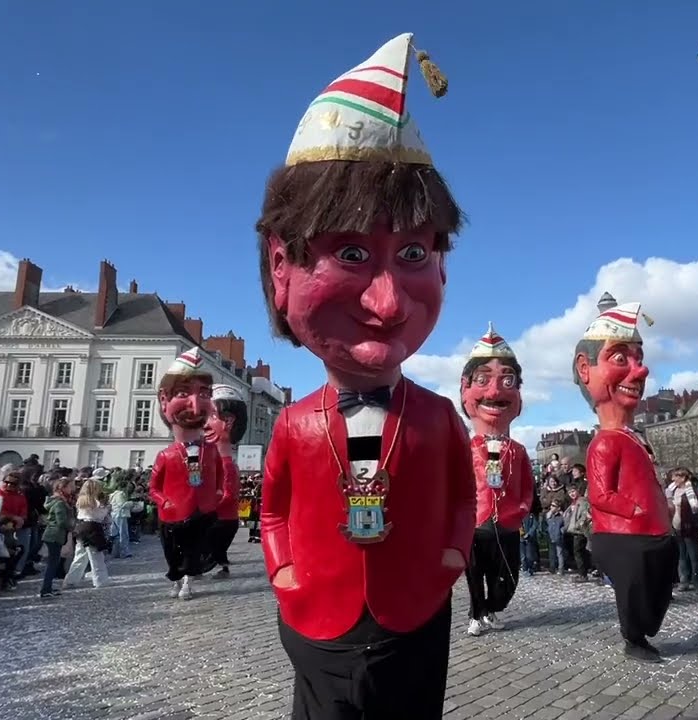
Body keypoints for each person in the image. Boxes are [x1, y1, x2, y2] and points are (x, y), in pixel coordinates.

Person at [256, 32, 474, 719]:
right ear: (280, 268)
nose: (385, 302)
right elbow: (273, 509)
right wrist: (284, 569)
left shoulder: (439, 416)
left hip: (415, 608)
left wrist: (451, 559)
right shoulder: (293, 422)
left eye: (412, 251)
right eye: (350, 252)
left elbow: (463, 497)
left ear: (442, 266)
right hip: (316, 611)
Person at [571, 300, 677, 663]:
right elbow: (600, 494)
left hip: (654, 533)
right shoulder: (605, 442)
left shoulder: (634, 437)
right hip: (626, 536)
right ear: (586, 370)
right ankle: (634, 639)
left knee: (658, 590)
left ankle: (641, 634)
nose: (640, 369)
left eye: (638, 357)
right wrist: (634, 508)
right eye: (621, 358)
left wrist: (662, 507)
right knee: (636, 594)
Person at [459, 323, 533, 637]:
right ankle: (478, 615)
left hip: (506, 524)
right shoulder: (463, 449)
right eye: (482, 380)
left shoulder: (517, 450)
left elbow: (528, 486)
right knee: (475, 574)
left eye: (506, 380)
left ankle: (492, 606)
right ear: (465, 389)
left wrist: (521, 510)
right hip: (475, 525)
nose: (494, 391)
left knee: (508, 578)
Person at [150, 350, 223, 601]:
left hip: (201, 511)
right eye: (183, 393)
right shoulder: (166, 455)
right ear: (164, 400)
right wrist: (164, 501)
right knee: (172, 552)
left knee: (194, 551)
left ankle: (187, 582)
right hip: (171, 513)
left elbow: (221, 476)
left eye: (204, 394)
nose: (195, 404)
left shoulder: (211, 451)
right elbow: (154, 487)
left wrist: (218, 493)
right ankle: (175, 577)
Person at [206, 384, 248, 578]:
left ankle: (217, 567)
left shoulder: (226, 464)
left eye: (210, 416)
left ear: (228, 422)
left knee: (212, 547)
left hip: (221, 518)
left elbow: (229, 494)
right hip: (221, 517)